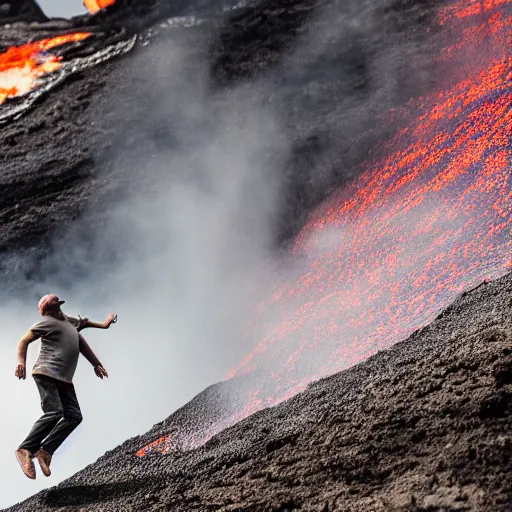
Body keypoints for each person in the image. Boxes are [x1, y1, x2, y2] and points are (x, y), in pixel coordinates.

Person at [14, 294, 117, 480]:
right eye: (50, 310)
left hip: (64, 379)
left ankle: (45, 451)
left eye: (54, 308)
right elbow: (24, 341)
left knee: (74, 416)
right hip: (46, 372)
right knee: (54, 412)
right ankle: (25, 449)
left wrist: (104, 328)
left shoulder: (70, 323)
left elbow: (80, 339)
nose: (53, 312)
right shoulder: (46, 323)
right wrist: (20, 362)